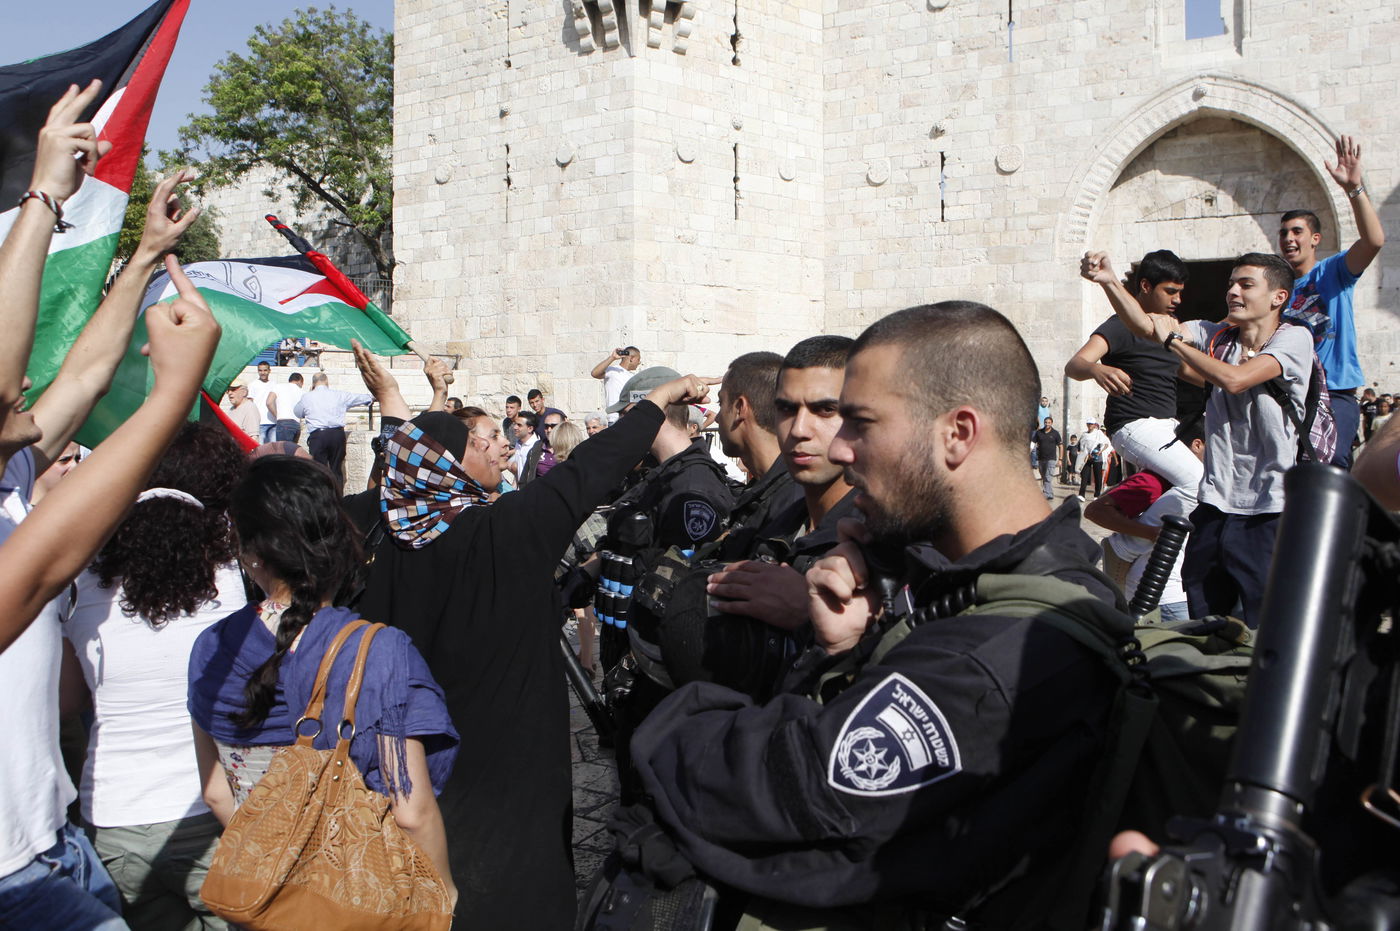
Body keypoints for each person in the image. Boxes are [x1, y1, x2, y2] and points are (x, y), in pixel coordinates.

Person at [618, 302, 1127, 928]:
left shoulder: (1000, 650)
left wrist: (675, 721)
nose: (841, 447)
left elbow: (788, 792)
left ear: (958, 434)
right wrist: (846, 650)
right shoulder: (994, 584)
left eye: (858, 422)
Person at [343, 348, 717, 928]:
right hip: (508, 761)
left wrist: (395, 401)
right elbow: (584, 472)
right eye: (477, 443)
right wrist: (654, 403)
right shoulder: (501, 531)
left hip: (416, 759)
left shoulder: (383, 544)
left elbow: (394, 460)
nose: (495, 450)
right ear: (451, 465)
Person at [0, 219, 221, 931]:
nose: (27, 382)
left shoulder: (9, 481)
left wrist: (143, 256)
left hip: (60, 839)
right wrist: (170, 391)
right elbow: (43, 572)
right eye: (9, 388)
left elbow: (87, 375)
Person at [187, 456, 459, 908]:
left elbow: (217, 792)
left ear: (247, 551)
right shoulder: (377, 651)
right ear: (339, 539)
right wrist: (444, 895)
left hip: (263, 895)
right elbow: (410, 811)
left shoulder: (211, 648)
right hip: (357, 900)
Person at [64, 423, 246, 929]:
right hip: (208, 805)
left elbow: (67, 698)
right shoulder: (228, 577)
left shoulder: (82, 580)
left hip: (113, 813)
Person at [1117, 253, 1313, 626]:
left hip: (1268, 508)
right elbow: (1144, 325)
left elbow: (1236, 379)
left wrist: (1173, 340)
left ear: (1278, 297)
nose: (1232, 291)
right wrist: (1109, 280)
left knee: (1264, 625)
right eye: (1231, 284)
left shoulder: (1294, 338)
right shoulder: (1215, 335)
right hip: (1215, 506)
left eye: (1246, 284)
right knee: (1207, 621)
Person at [704, 335, 859, 645]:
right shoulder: (777, 524)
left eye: (825, 410)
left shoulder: (882, 538)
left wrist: (809, 614)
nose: (799, 429)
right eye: (786, 409)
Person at [1279, 135, 1386, 469]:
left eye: (1296, 231)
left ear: (1315, 239)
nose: (1288, 239)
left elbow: (1374, 241)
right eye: (1283, 233)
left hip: (1336, 392)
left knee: (1329, 463)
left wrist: (1354, 189)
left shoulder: (1334, 272)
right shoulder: (1278, 290)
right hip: (1291, 395)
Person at [1073, 250, 1204, 499]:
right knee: (1197, 483)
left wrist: (1231, 382)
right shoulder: (1118, 325)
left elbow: (1183, 369)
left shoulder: (1169, 325)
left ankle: (1142, 533)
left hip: (1168, 425)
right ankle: (1129, 540)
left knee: (1207, 481)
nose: (1177, 299)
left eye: (1180, 292)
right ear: (1145, 285)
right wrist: (1096, 369)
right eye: (1170, 291)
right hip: (1134, 425)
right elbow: (1075, 364)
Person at [1084, 419, 1207, 621]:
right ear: (1196, 444)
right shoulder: (1154, 481)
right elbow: (1096, 511)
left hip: (1184, 592)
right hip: (1166, 596)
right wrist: (1148, 533)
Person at [713, 351, 801, 558]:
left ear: (740, 408)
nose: (717, 418)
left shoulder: (792, 501)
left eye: (721, 403)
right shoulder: (764, 490)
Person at [294, 372, 373, 483]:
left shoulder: (307, 397)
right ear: (327, 382)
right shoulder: (339, 395)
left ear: (313, 384)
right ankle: (338, 497)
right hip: (337, 434)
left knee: (319, 471)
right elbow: (360, 398)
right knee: (336, 470)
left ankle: (322, 498)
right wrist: (372, 397)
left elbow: (297, 412)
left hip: (318, 436)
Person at [592, 346, 642, 423]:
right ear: (631, 358)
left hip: (631, 419)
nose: (639, 362)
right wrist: (612, 358)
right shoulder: (612, 371)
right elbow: (594, 373)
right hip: (614, 419)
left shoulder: (633, 377)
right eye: (638, 359)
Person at [266, 372, 305, 443]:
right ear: (300, 381)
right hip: (296, 424)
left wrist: (277, 415)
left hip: (283, 422)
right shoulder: (302, 392)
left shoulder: (278, 386)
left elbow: (269, 402)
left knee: (283, 452)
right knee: (292, 451)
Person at [1078, 419, 1111, 498]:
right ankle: (1081, 495)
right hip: (1087, 457)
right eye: (1088, 424)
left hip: (1097, 457)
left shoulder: (1098, 433)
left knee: (1098, 476)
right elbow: (1081, 445)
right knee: (1084, 476)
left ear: (1094, 425)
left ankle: (1097, 495)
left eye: (1091, 424)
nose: (1090, 425)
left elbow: (1106, 443)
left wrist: (1100, 452)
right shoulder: (1084, 434)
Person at [245, 362, 277, 444]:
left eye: (265, 370)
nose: (262, 373)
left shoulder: (274, 384)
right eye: (260, 370)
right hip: (259, 422)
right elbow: (249, 403)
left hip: (273, 422)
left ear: (269, 371)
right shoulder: (252, 385)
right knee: (260, 449)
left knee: (273, 450)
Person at [1033, 416, 1062, 499]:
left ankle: (1047, 494)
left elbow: (1060, 446)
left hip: (1051, 459)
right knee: (1043, 476)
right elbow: (1033, 442)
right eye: (1046, 422)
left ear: (1051, 423)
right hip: (1041, 458)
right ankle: (1050, 493)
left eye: (1049, 422)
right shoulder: (1039, 433)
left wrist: (1060, 459)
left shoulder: (1055, 433)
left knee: (1048, 476)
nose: (1047, 424)